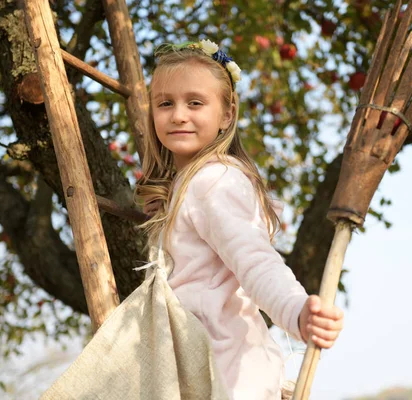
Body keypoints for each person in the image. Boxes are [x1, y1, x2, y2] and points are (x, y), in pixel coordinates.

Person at [134, 39, 343, 400]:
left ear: (227, 115)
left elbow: (256, 262)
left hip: (227, 373)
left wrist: (296, 311)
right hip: (200, 368)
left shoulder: (214, 181)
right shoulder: (190, 184)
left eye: (195, 102)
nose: (179, 115)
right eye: (165, 103)